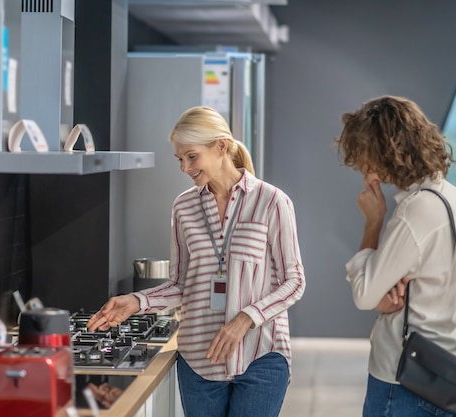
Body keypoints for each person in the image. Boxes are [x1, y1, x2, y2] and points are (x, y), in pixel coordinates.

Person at [87, 105, 306, 417]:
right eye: (180, 159)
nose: (184, 167)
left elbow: (294, 281)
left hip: (261, 353)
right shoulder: (184, 208)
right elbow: (180, 284)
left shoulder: (272, 201)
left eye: (191, 156)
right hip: (198, 361)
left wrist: (244, 320)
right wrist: (136, 301)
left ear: (220, 146)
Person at [334, 95, 456, 417]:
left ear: (383, 150)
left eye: (362, 153)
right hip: (453, 368)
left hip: (407, 377)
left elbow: (364, 294)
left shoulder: (415, 211)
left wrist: (373, 222)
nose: (359, 165)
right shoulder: (451, 197)